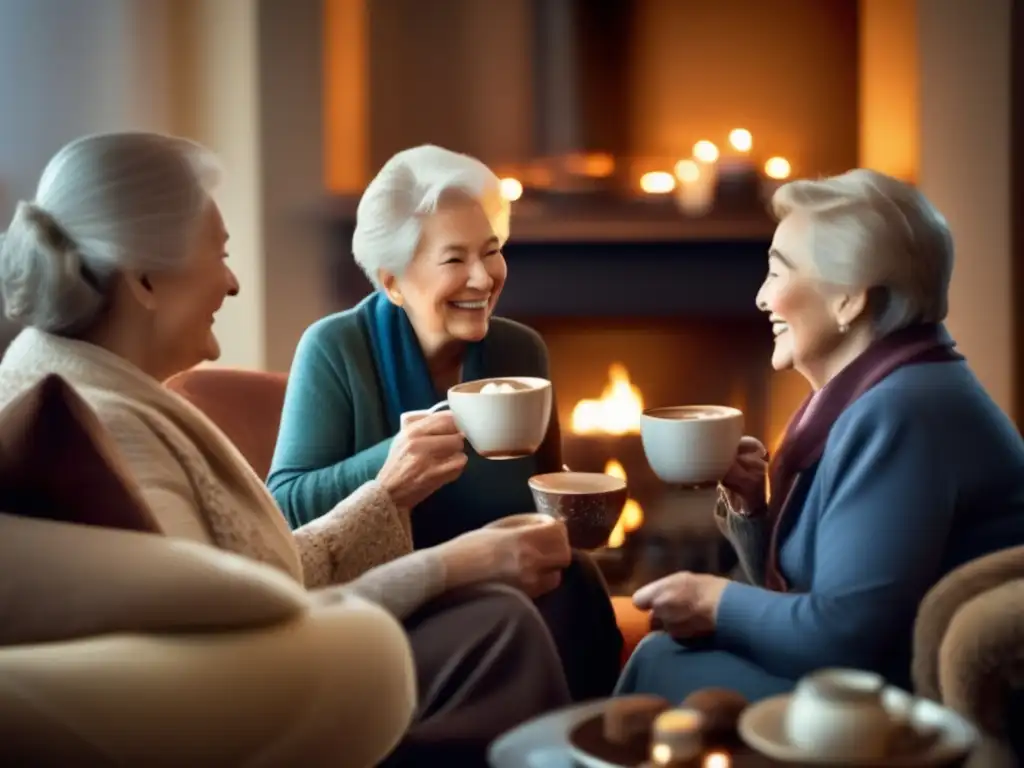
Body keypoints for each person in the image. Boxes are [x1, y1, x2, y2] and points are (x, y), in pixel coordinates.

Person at [0, 132, 573, 765]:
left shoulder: (87, 392)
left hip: (297, 646)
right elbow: (226, 641)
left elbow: (242, 583)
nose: (234, 282)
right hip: (288, 676)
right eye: (217, 254)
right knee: (500, 625)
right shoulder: (110, 425)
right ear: (144, 282)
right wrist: (446, 563)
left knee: (558, 594)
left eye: (491, 252)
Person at [617, 168, 1024, 702]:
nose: (762, 299)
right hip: (875, 667)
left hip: (902, 694)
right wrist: (752, 508)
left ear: (850, 301)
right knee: (663, 656)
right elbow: (812, 587)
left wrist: (716, 601)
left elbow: (846, 634)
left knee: (661, 661)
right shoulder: (885, 388)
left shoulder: (903, 411)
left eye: (777, 275)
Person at [267, 144, 623, 701]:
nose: (483, 279)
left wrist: (589, 506)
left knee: (579, 583)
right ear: (392, 283)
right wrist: (389, 468)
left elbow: (546, 491)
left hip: (518, 584)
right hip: (401, 606)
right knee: (516, 614)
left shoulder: (521, 351)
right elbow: (284, 508)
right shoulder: (336, 349)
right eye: (455, 260)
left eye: (492, 251)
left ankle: (584, 743)